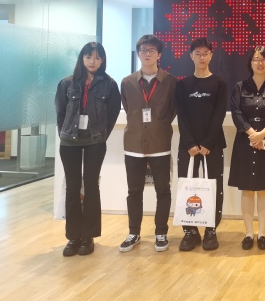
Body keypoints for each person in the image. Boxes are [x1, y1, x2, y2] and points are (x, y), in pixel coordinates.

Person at [55, 42, 121, 256]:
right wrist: (65, 133)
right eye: (89, 57)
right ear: (82, 58)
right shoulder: (67, 83)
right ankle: (73, 236)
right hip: (69, 142)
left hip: (95, 142)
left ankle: (88, 236)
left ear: (103, 60)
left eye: (97, 57)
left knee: (91, 186)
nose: (93, 61)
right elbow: (60, 112)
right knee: (72, 187)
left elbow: (112, 114)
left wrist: (100, 135)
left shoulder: (109, 84)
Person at [119, 35, 177, 253]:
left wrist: (158, 125)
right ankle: (133, 233)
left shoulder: (170, 82)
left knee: (163, 190)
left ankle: (161, 233)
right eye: (143, 50)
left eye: (152, 50)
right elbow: (128, 108)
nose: (147, 54)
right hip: (133, 145)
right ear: (138, 53)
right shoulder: (127, 82)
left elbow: (172, 111)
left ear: (159, 54)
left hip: (160, 143)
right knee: (134, 191)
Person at [228, 46, 265, 251]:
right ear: (250, 63)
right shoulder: (240, 87)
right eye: (256, 59)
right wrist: (252, 133)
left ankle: (262, 233)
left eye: (264, 59)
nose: (260, 63)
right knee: (247, 189)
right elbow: (236, 112)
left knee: (263, 189)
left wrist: (262, 134)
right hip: (245, 142)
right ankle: (248, 233)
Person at [175, 37, 227, 251]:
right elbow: (181, 115)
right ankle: (190, 231)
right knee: (187, 186)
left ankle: (211, 230)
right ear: (191, 56)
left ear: (211, 56)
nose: (202, 57)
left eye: (205, 53)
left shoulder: (219, 83)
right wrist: (189, 143)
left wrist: (207, 142)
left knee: (214, 187)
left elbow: (219, 115)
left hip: (212, 145)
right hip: (187, 147)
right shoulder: (182, 84)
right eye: (198, 53)